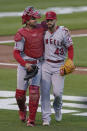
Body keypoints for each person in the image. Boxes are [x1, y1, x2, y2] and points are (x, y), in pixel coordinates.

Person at [13, 6, 46, 127]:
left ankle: (31, 119)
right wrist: (25, 64)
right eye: (33, 18)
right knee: (20, 96)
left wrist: (64, 29)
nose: (35, 20)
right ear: (26, 20)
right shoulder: (20, 34)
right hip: (24, 66)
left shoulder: (42, 27)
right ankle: (22, 109)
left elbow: (53, 26)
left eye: (36, 18)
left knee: (34, 92)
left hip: (37, 65)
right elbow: (16, 53)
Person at [41, 11, 74, 126]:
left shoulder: (63, 32)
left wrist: (69, 60)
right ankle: (46, 118)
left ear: (55, 20)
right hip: (45, 65)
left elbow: (70, 48)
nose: (49, 22)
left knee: (57, 93)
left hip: (59, 66)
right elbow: (32, 28)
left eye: (51, 20)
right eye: (47, 20)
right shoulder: (42, 30)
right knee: (44, 93)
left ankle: (58, 107)